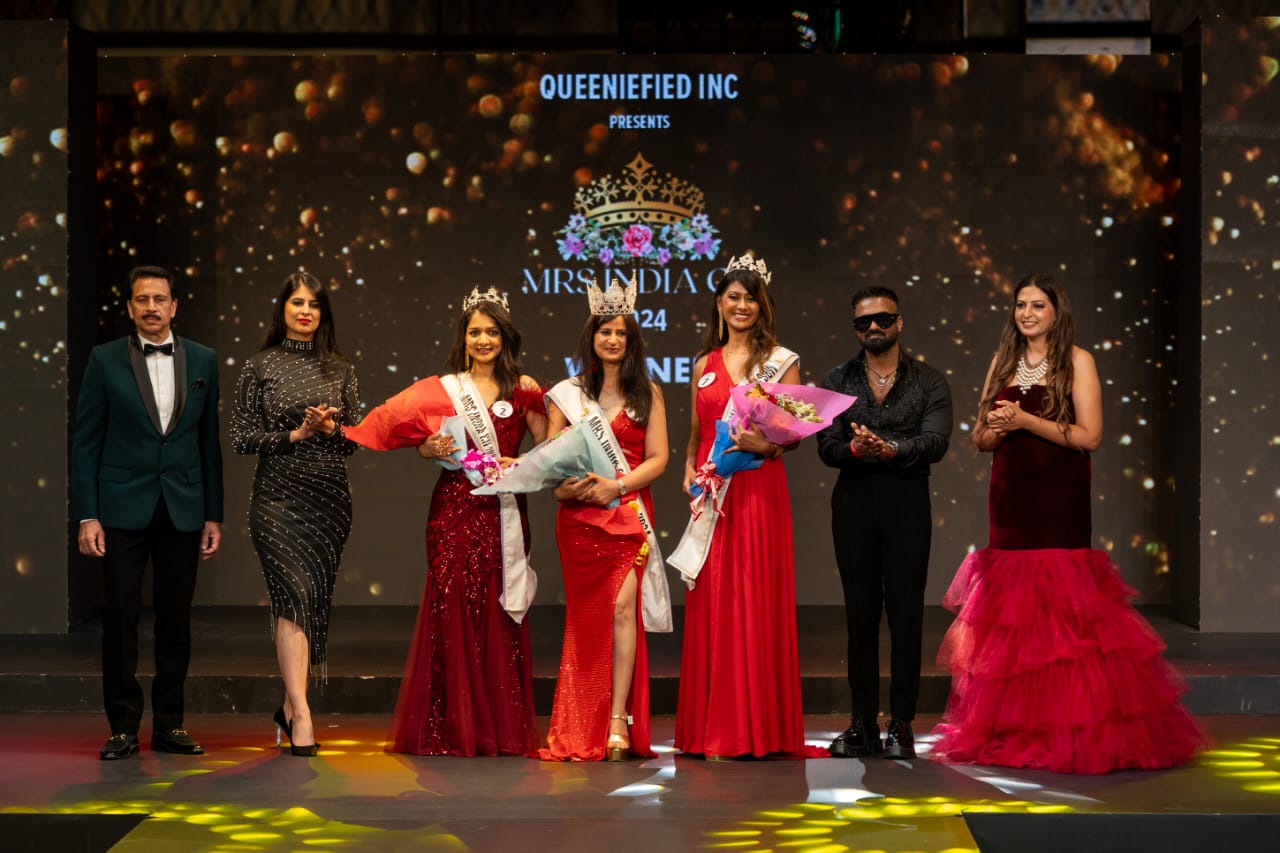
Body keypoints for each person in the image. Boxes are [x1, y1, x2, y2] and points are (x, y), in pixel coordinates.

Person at [932, 273, 1203, 774]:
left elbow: (1090, 435)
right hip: (1010, 502)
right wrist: (996, 428)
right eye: (1021, 305)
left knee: (1063, 610)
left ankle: (1071, 728)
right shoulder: (1004, 361)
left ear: (1056, 312)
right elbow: (981, 439)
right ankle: (1018, 727)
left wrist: (1026, 421)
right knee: (1013, 616)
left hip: (1059, 500)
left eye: (1038, 305)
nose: (1027, 314)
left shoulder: (1077, 361)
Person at [387, 288, 547, 756]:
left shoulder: (524, 388)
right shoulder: (446, 388)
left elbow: (551, 447)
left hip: (502, 511)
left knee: (497, 605)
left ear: (505, 337)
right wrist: (430, 448)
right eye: (475, 332)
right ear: (464, 337)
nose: (483, 340)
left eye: (492, 332)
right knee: (451, 603)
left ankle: (495, 726)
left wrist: (520, 463)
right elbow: (426, 445)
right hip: (454, 507)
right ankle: (450, 726)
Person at [72, 265, 224, 760]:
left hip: (183, 506)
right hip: (120, 507)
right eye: (142, 299)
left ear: (174, 306)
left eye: (160, 299)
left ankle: (170, 725)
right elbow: (85, 442)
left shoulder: (204, 359)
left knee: (175, 619)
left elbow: (208, 443)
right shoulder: (105, 359)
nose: (152, 307)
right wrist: (88, 514)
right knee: (120, 616)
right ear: (130, 307)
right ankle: (122, 727)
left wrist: (213, 514)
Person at [671, 253, 808, 759]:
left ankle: (754, 729)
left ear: (763, 305)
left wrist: (767, 445)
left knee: (753, 596)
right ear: (719, 303)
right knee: (714, 600)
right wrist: (689, 467)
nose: (742, 305)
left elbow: (794, 433)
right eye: (734, 296)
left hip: (757, 490)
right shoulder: (703, 365)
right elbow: (695, 435)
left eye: (751, 297)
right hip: (713, 494)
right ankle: (712, 727)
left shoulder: (782, 361)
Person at [816, 286, 953, 760]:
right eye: (863, 322)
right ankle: (862, 725)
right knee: (860, 618)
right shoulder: (837, 379)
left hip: (907, 504)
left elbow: (936, 442)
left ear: (900, 322)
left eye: (882, 319)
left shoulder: (929, 380)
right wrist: (856, 449)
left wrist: (892, 448)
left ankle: (901, 725)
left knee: (906, 616)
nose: (873, 327)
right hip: (853, 504)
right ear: (855, 328)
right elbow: (827, 447)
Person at [230, 272, 360, 757]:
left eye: (314, 304)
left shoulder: (341, 370)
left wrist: (329, 430)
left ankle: (289, 706)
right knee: (294, 595)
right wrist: (294, 435)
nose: (305, 311)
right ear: (282, 308)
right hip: (278, 501)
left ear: (323, 313)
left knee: (313, 603)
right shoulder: (259, 366)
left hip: (328, 502)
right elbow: (241, 438)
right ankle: (302, 716)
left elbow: (354, 442)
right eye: (297, 303)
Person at [540, 276, 670, 761]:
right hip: (580, 520)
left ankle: (617, 719)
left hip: (628, 512)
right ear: (591, 338)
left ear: (633, 341)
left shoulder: (648, 394)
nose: (613, 339)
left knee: (622, 611)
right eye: (604, 331)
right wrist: (567, 486)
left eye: (621, 332)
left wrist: (617, 486)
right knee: (588, 620)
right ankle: (581, 720)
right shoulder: (567, 395)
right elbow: (551, 463)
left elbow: (658, 458)